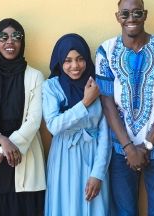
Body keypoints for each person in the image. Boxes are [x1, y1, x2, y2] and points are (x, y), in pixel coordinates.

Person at [95, 0, 154, 216]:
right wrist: (128, 147)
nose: (131, 18)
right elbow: (106, 102)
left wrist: (147, 145)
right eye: (125, 13)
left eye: (137, 13)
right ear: (118, 17)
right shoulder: (105, 50)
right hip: (120, 149)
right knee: (124, 212)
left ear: (145, 15)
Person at [0, 18, 46, 216]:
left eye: (16, 37)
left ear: (22, 42)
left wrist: (2, 152)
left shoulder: (35, 76)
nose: (9, 42)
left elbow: (34, 121)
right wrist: (2, 140)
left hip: (23, 157)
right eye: (3, 37)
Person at [42, 33, 111, 216]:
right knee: (65, 207)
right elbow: (54, 126)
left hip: (93, 155)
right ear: (60, 62)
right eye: (68, 60)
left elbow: (105, 133)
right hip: (63, 156)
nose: (75, 66)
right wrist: (84, 103)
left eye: (80, 59)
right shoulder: (51, 87)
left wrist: (98, 173)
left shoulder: (97, 85)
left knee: (94, 205)